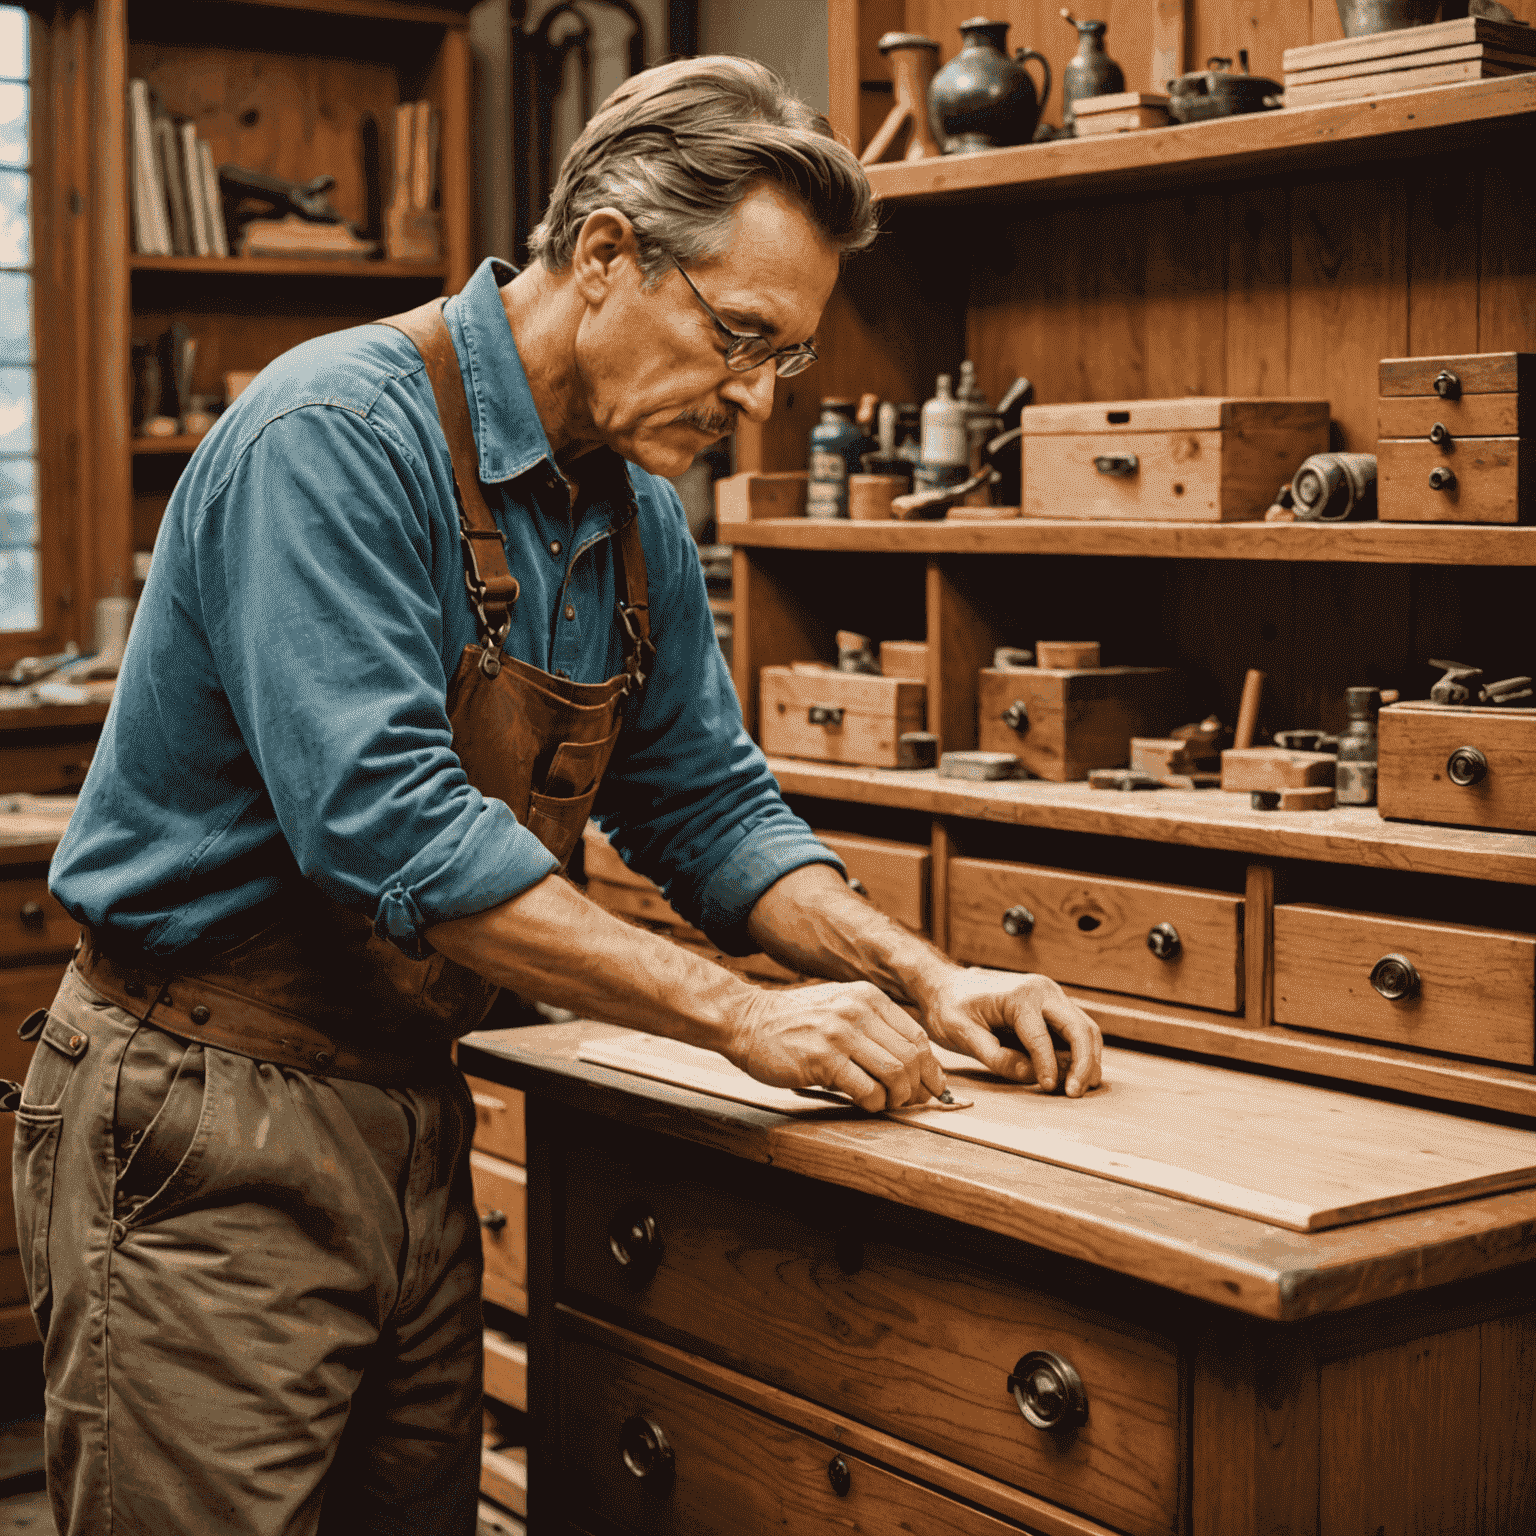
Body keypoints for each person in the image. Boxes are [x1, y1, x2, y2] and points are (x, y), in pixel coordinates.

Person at [9, 55, 1101, 1536]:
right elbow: (388, 826)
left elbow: (706, 805)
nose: (762, 401)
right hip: (203, 1120)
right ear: (604, 255)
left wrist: (923, 974)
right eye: (739, 338)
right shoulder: (332, 436)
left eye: (787, 358)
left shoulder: (634, 511)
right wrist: (741, 1013)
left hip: (405, 1106)